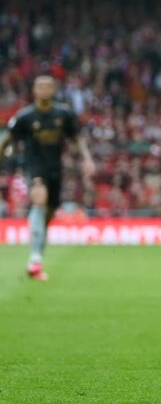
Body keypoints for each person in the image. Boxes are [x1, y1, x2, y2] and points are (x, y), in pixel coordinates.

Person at [0, 75, 95, 281]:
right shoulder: (25, 117)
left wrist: (87, 159)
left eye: (47, 86)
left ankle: (36, 259)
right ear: (34, 90)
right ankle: (34, 260)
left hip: (55, 171)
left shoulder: (64, 114)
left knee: (47, 216)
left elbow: (76, 138)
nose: (44, 90)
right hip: (34, 168)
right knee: (39, 198)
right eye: (40, 86)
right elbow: (7, 139)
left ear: (53, 90)